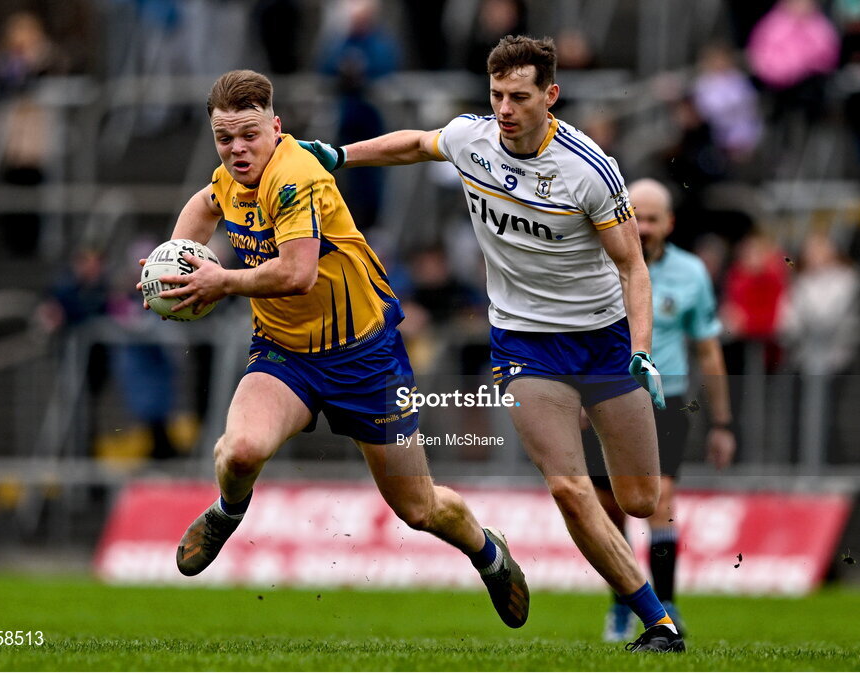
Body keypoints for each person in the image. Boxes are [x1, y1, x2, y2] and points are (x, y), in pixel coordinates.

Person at [301, 36, 685, 653]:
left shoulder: (589, 170)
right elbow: (416, 144)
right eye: (497, 95)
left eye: (519, 97)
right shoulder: (471, 139)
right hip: (524, 343)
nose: (505, 109)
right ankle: (657, 622)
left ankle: (639, 584)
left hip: (603, 342)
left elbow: (633, 267)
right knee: (566, 486)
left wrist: (642, 349)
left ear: (550, 96)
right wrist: (338, 156)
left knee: (640, 500)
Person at [139, 70, 529, 629]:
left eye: (249, 135)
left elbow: (297, 274)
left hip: (365, 358)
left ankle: (489, 554)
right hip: (284, 352)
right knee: (240, 451)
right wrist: (175, 264)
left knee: (420, 509)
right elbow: (205, 204)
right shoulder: (231, 175)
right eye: (225, 138)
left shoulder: (297, 177)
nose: (237, 149)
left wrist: (217, 280)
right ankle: (228, 512)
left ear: (276, 127)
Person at [583, 178, 736, 642]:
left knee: (659, 502)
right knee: (609, 511)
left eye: (651, 218)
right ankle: (624, 603)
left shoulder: (691, 274)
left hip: (662, 402)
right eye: (636, 215)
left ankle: (666, 602)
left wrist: (723, 423)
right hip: (602, 401)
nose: (643, 226)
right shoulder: (596, 262)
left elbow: (708, 351)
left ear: (669, 223)